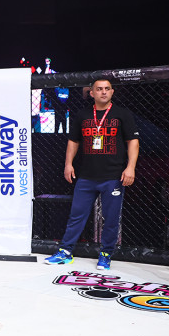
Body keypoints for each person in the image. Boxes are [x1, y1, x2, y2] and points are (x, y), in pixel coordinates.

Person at [44, 79, 140, 270]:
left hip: (113, 176)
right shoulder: (83, 115)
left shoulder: (122, 114)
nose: (103, 92)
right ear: (92, 93)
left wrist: (131, 167)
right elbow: (73, 141)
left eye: (107, 89)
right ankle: (65, 252)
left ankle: (106, 254)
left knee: (111, 218)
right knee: (76, 216)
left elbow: (133, 142)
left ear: (112, 92)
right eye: (99, 89)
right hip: (86, 176)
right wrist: (68, 164)